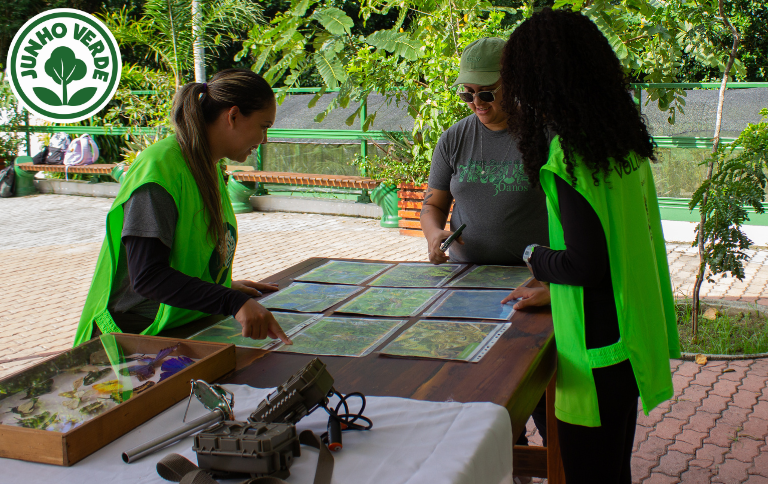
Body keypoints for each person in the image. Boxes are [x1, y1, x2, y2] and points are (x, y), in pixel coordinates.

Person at [499, 9, 680, 483]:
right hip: (626, 344)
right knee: (612, 470)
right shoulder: (619, 146)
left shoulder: (569, 157)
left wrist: (533, 256)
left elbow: (584, 264)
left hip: (594, 359)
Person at [73, 69, 290, 347]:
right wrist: (230, 301)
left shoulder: (208, 166)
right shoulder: (160, 168)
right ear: (233, 116)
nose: (264, 140)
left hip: (177, 328)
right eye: (264, 126)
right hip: (130, 341)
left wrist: (218, 286)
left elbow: (186, 252)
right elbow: (148, 277)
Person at [420, 37, 549, 479]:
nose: (476, 102)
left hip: (533, 290)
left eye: (487, 93)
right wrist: (434, 234)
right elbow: (433, 204)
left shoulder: (545, 135)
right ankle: (511, 468)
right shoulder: (456, 137)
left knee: (546, 398)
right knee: (486, 397)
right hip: (468, 285)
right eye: (466, 93)